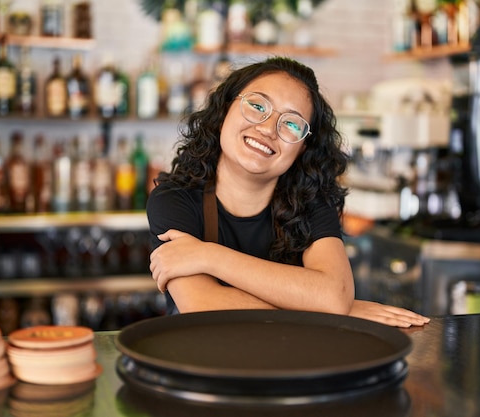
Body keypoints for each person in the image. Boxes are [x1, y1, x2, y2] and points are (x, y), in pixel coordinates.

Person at [147, 56, 429, 328]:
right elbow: (204, 305)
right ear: (224, 111)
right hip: (200, 368)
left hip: (290, 365)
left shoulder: (311, 200)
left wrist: (208, 256)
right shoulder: (175, 199)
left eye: (292, 124)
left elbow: (332, 295)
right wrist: (339, 312)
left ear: (303, 147)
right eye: (257, 106)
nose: (268, 129)